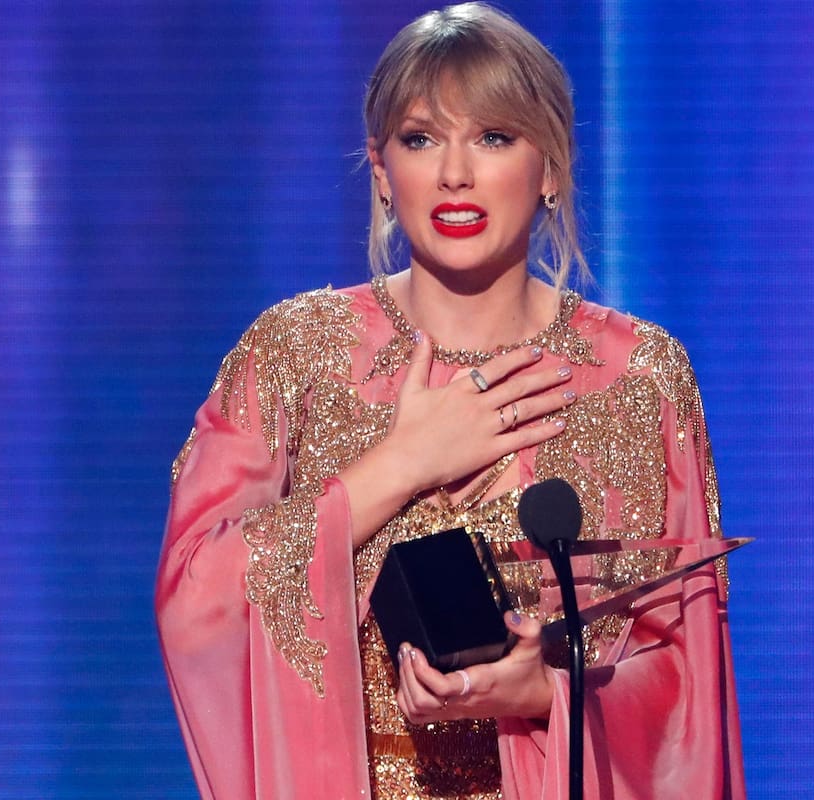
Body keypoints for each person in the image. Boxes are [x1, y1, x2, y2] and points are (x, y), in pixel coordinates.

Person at [155, 3, 745, 798]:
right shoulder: (295, 352)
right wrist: (398, 466)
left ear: (553, 167)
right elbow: (196, 599)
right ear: (380, 169)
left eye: (494, 137)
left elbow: (687, 684)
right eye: (421, 138)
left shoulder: (641, 374)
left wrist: (544, 696)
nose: (455, 174)